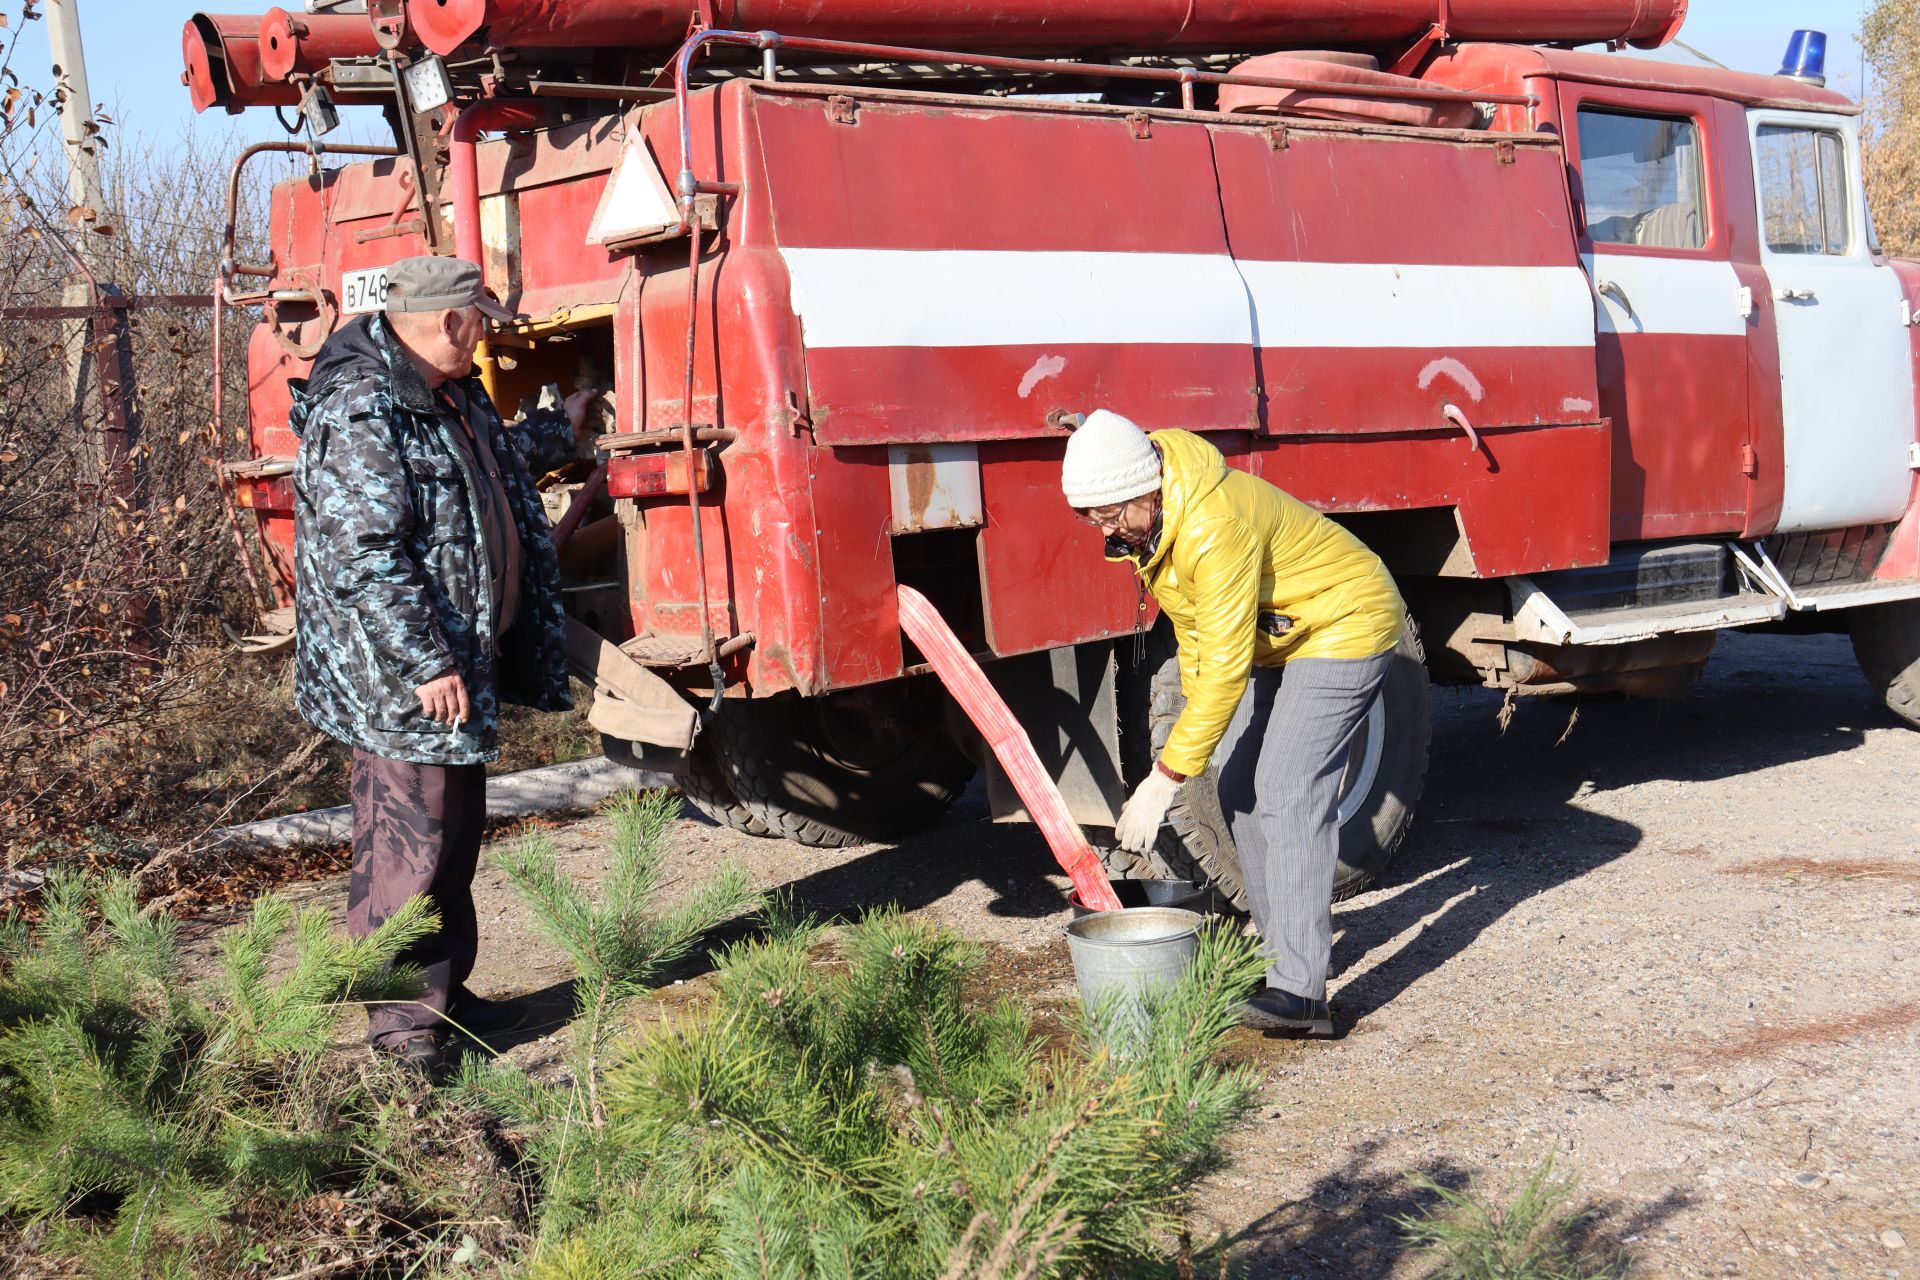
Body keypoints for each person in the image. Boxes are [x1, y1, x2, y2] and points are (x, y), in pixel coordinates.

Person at [289, 256, 596, 1075]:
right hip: (401, 679)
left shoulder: (448, 393)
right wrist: (425, 660)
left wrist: (561, 428)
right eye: (480, 320)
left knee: (450, 843)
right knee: (406, 853)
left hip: (454, 666)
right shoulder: (364, 404)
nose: (487, 332)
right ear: (450, 323)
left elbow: (485, 474)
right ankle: (402, 1040)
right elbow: (363, 553)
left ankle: (444, 1002)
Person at [1060, 409, 1406, 1036]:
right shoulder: (1156, 528)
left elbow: (1224, 669)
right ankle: (1283, 964)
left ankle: (1304, 998)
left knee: (1286, 789)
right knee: (1239, 790)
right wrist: (1194, 746)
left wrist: (1163, 780)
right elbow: (1197, 644)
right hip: (1286, 636)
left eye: (1110, 515)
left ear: (1143, 488)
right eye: (1092, 519)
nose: (1104, 531)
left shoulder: (1211, 525)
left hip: (1346, 621)